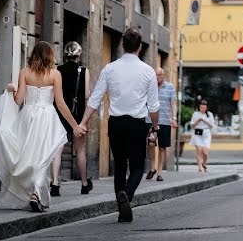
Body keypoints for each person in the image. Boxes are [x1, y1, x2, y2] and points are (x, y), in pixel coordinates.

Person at [77, 28, 159, 223]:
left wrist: (82, 123)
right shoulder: (148, 71)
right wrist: (155, 128)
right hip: (137, 124)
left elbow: (95, 98)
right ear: (140, 46)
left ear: (123, 44)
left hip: (115, 124)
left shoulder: (110, 68)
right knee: (138, 166)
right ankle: (127, 196)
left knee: (120, 165)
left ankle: (121, 202)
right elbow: (154, 106)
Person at [0, 42, 81, 213]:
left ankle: (35, 192)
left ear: (33, 55)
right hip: (47, 116)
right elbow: (60, 103)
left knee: (30, 156)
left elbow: (18, 100)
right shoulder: (55, 74)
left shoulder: (25, 72)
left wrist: (10, 91)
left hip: (28, 116)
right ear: (49, 56)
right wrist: (75, 125)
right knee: (43, 156)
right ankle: (35, 193)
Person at [50, 41, 92, 196]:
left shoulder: (57, 70)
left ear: (65, 55)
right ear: (78, 55)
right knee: (80, 149)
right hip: (77, 116)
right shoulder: (84, 70)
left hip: (60, 114)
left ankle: (55, 184)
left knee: (57, 150)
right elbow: (87, 94)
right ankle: (84, 184)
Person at [145, 67, 177, 181]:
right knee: (151, 144)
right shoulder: (150, 86)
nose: (157, 77)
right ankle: (152, 167)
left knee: (162, 147)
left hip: (164, 121)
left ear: (163, 75)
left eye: (158, 75)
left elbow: (173, 104)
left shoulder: (170, 87)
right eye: (155, 75)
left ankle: (159, 172)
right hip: (150, 120)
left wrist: (174, 118)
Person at [189, 99, 215, 173]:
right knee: (199, 150)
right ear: (199, 107)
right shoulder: (195, 114)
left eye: (204, 107)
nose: (202, 109)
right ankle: (200, 167)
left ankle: (204, 163)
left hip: (206, 133)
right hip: (197, 133)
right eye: (201, 107)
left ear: (206, 107)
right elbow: (192, 125)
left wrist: (204, 120)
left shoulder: (209, 114)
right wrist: (198, 120)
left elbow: (212, 125)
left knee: (205, 152)